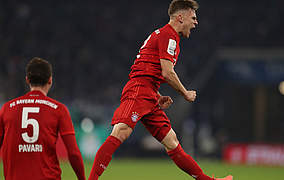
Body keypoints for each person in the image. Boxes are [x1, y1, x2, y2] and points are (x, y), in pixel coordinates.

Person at [89, 0, 233, 180]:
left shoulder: (166, 36)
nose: (196, 22)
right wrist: (185, 92)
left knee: (172, 141)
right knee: (121, 131)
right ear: (180, 17)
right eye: (193, 17)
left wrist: (156, 95)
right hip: (139, 90)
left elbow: (148, 68)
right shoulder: (168, 35)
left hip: (148, 93)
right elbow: (167, 72)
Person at [0, 57, 86, 180]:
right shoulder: (58, 109)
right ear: (50, 80)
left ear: (27, 80)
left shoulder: (7, 108)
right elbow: (73, 153)